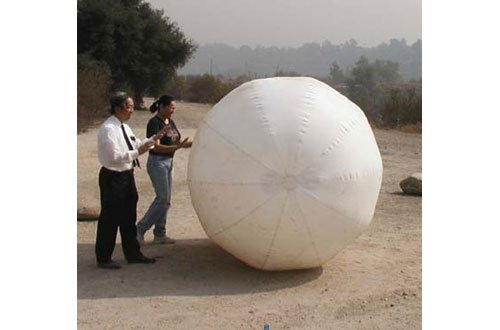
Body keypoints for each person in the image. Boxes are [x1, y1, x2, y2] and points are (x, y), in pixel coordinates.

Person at [95, 91, 169, 269]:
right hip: (113, 177)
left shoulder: (124, 128)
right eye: (129, 107)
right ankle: (104, 257)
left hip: (127, 176)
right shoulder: (108, 129)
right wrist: (138, 153)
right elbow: (113, 157)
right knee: (110, 218)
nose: (131, 111)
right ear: (118, 108)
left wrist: (153, 139)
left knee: (129, 217)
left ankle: (133, 253)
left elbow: (135, 143)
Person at [136, 95, 192, 244]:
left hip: (169, 162)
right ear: (162, 107)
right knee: (162, 198)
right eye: (171, 107)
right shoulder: (154, 123)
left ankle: (160, 233)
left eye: (174, 108)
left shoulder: (170, 122)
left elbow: (177, 141)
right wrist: (176, 147)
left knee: (166, 200)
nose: (173, 110)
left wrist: (195, 142)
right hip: (157, 162)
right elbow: (156, 146)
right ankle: (139, 229)